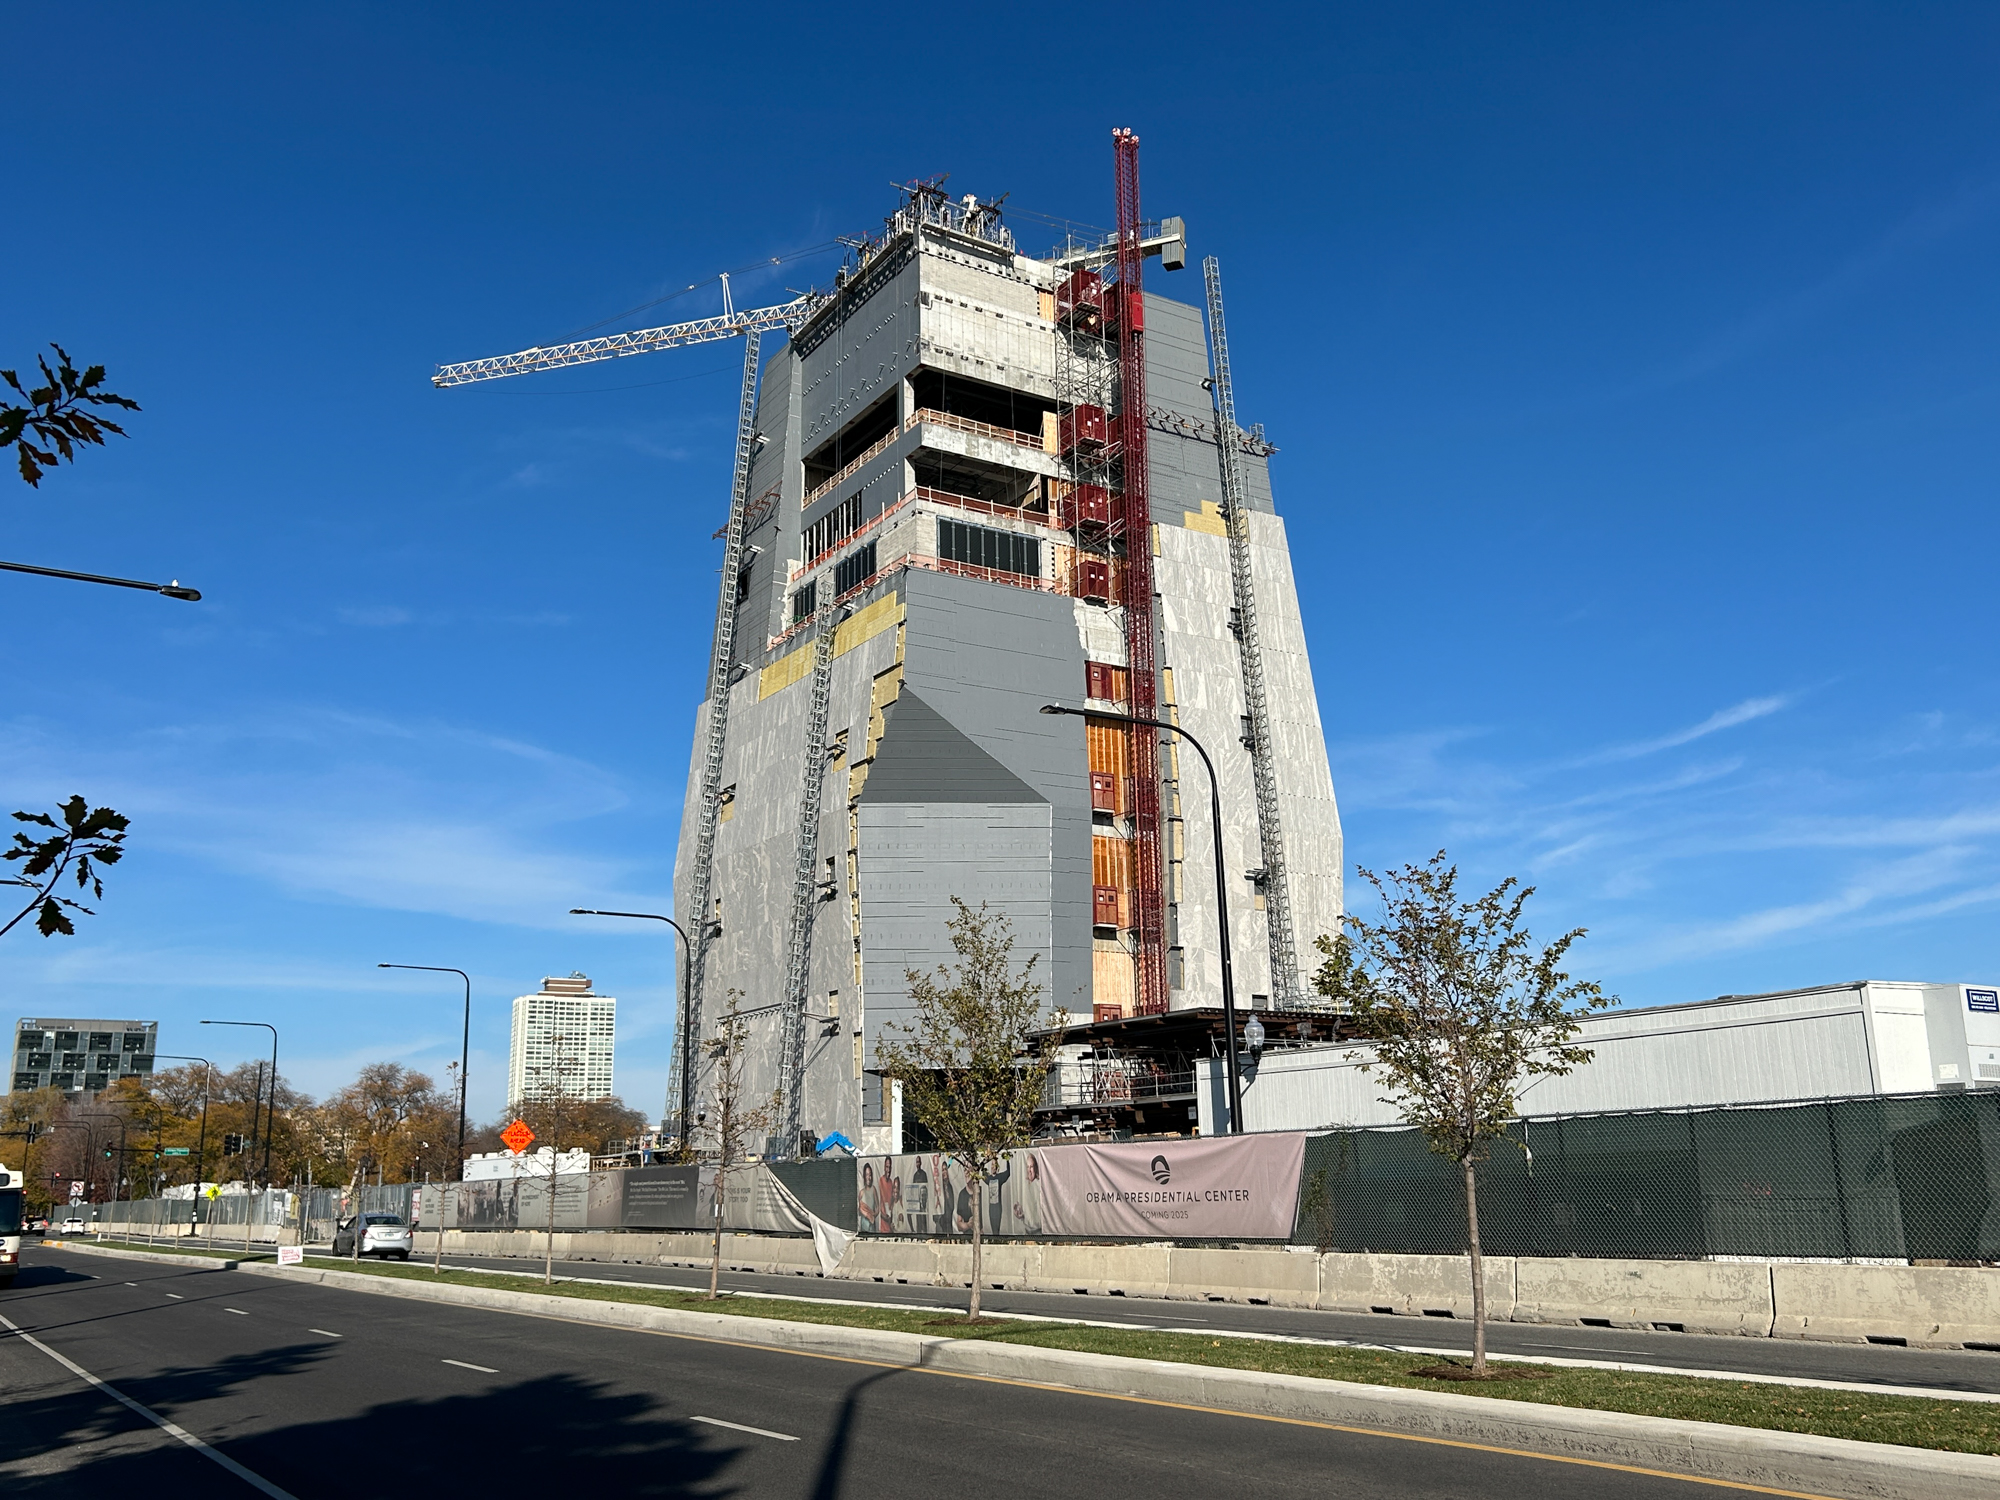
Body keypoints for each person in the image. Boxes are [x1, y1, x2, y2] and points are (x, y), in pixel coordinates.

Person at [857, 1162, 879, 1233]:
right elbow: (858, 1210)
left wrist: (873, 1215)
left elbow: (877, 1207)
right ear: (864, 1176)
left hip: (872, 1227)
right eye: (867, 1175)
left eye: (870, 1175)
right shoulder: (861, 1192)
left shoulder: (873, 1189)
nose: (868, 1178)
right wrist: (866, 1214)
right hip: (864, 1227)